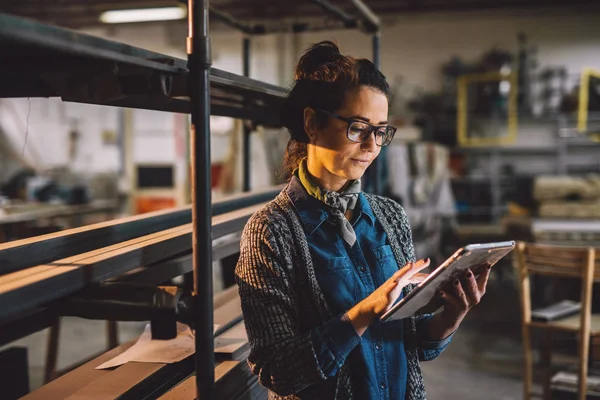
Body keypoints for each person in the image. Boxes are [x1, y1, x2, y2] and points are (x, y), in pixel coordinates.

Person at [235, 41, 490, 400]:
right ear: (312, 123)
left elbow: (411, 341)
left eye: (381, 130)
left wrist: (452, 313)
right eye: (357, 127)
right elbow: (276, 369)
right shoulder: (270, 231)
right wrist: (363, 313)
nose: (372, 145)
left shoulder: (389, 215)